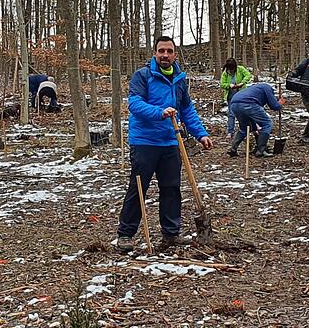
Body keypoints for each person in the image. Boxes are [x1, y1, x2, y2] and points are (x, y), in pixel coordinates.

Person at [116, 36, 213, 252]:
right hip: (144, 141)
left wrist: (201, 134)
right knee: (139, 187)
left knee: (171, 188)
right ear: (155, 54)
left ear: (175, 54)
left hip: (170, 141)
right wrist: (159, 112)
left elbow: (187, 110)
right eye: (161, 51)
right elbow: (135, 104)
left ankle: (171, 233)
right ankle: (125, 234)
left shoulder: (179, 79)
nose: (165, 55)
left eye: (169, 51)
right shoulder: (143, 76)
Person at [227, 83, 286, 158]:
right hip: (248, 103)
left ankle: (233, 149)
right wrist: (280, 103)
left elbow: (252, 117)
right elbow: (274, 106)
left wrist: (255, 128)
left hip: (234, 104)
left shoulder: (254, 89)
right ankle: (261, 150)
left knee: (244, 128)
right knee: (267, 124)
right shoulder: (267, 88)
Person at [220, 58, 252, 138]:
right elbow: (222, 84)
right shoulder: (225, 73)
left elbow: (248, 75)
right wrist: (229, 85)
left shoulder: (240, 69)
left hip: (242, 95)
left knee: (243, 112)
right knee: (231, 114)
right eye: (230, 69)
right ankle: (230, 132)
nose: (231, 71)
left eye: (232, 69)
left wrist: (242, 82)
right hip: (231, 96)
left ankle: (246, 130)